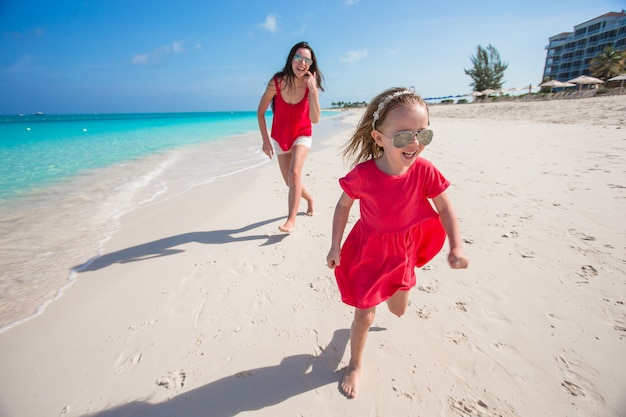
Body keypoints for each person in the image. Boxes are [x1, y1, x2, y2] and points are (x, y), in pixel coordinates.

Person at [326, 87, 469, 398]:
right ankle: (354, 364)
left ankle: (396, 291)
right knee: (364, 313)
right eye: (404, 136)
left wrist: (456, 246)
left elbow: (444, 207)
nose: (414, 143)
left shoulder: (425, 170)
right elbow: (342, 206)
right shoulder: (364, 174)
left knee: (399, 310)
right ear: (379, 138)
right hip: (368, 251)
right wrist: (335, 245)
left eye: (423, 134)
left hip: (403, 252)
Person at [257, 41, 324, 233]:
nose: (302, 62)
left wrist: (313, 92)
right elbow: (260, 112)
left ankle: (291, 220)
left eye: (306, 60)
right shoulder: (277, 82)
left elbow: (315, 119)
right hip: (280, 136)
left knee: (294, 174)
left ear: (310, 65)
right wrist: (265, 141)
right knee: (289, 181)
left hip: (302, 134)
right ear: (291, 59)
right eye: (298, 57)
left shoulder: (311, 86)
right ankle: (310, 198)